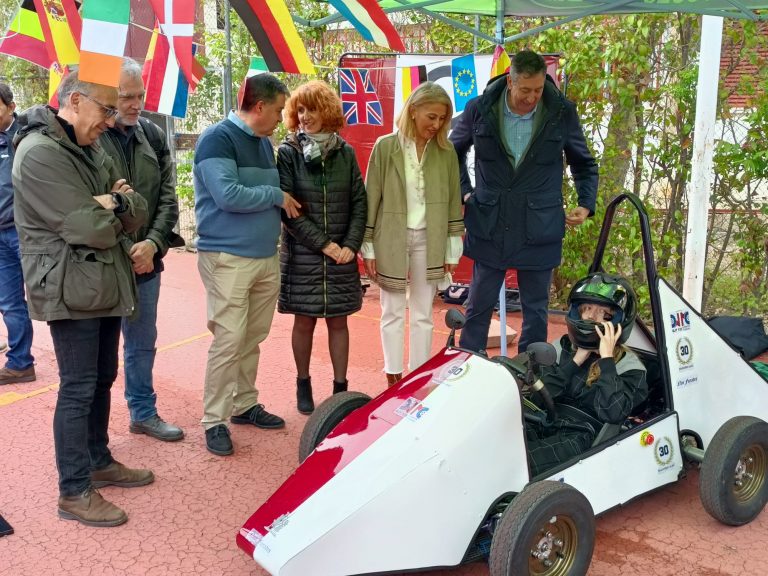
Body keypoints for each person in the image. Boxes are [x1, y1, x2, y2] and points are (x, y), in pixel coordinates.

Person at [12, 71, 152, 527]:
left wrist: (111, 203)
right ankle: (73, 490)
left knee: (102, 376)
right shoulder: (38, 153)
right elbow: (87, 226)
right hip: (69, 285)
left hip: (104, 281)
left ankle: (98, 460)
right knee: (77, 387)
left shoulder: (90, 144)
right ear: (75, 100)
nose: (112, 121)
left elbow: (139, 208)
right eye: (107, 109)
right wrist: (112, 205)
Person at [451, 49, 599, 354]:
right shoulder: (479, 108)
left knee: (536, 310)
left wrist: (585, 203)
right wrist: (464, 191)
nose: (532, 97)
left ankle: (530, 380)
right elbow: (453, 152)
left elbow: (583, 163)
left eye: (538, 89)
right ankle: (467, 364)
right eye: (525, 90)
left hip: (540, 225)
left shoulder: (561, 112)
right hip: (490, 222)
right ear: (510, 81)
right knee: (478, 304)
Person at [193, 73, 301, 456]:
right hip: (227, 258)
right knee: (228, 339)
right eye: (277, 110)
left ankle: (243, 403)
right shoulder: (216, 139)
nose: (280, 118)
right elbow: (227, 195)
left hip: (263, 256)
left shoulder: (262, 142)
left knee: (251, 337)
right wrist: (274, 194)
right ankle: (214, 419)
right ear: (258, 107)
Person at [99, 59, 184, 442]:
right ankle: (93, 434)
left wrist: (152, 244)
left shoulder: (152, 134)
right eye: (126, 96)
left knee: (142, 342)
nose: (135, 104)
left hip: (148, 260)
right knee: (98, 351)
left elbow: (168, 198)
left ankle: (143, 412)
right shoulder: (89, 136)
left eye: (139, 95)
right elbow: (87, 205)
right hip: (103, 263)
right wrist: (125, 247)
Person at [363, 82, 464, 386]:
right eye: (431, 116)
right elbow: (372, 198)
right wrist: (368, 246)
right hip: (390, 237)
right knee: (392, 311)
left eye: (441, 119)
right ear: (414, 109)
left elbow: (451, 202)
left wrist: (451, 249)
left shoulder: (446, 153)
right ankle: (393, 378)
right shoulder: (385, 147)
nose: (436, 125)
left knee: (423, 313)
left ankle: (418, 379)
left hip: (429, 240)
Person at [276, 80, 367, 414]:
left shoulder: (346, 153)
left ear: (326, 111)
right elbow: (290, 211)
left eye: (311, 109)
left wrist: (350, 245)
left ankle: (340, 389)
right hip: (304, 256)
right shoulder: (287, 153)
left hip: (341, 254)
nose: (304, 116)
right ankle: (303, 383)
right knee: (304, 321)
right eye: (299, 109)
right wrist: (326, 245)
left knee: (339, 322)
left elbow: (360, 202)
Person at [526, 272, 648, 476]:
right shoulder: (562, 348)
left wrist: (607, 359)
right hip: (545, 419)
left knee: (522, 463)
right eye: (587, 309)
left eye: (602, 312)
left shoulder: (629, 368)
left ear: (615, 320)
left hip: (579, 435)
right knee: (500, 446)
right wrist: (575, 361)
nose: (591, 317)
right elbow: (537, 397)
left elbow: (613, 412)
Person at [0, 82, 36, 386]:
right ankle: (20, 363)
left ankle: (80, 357)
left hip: (25, 231)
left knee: (47, 294)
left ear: (11, 106)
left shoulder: (27, 135)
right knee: (10, 301)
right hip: (0, 236)